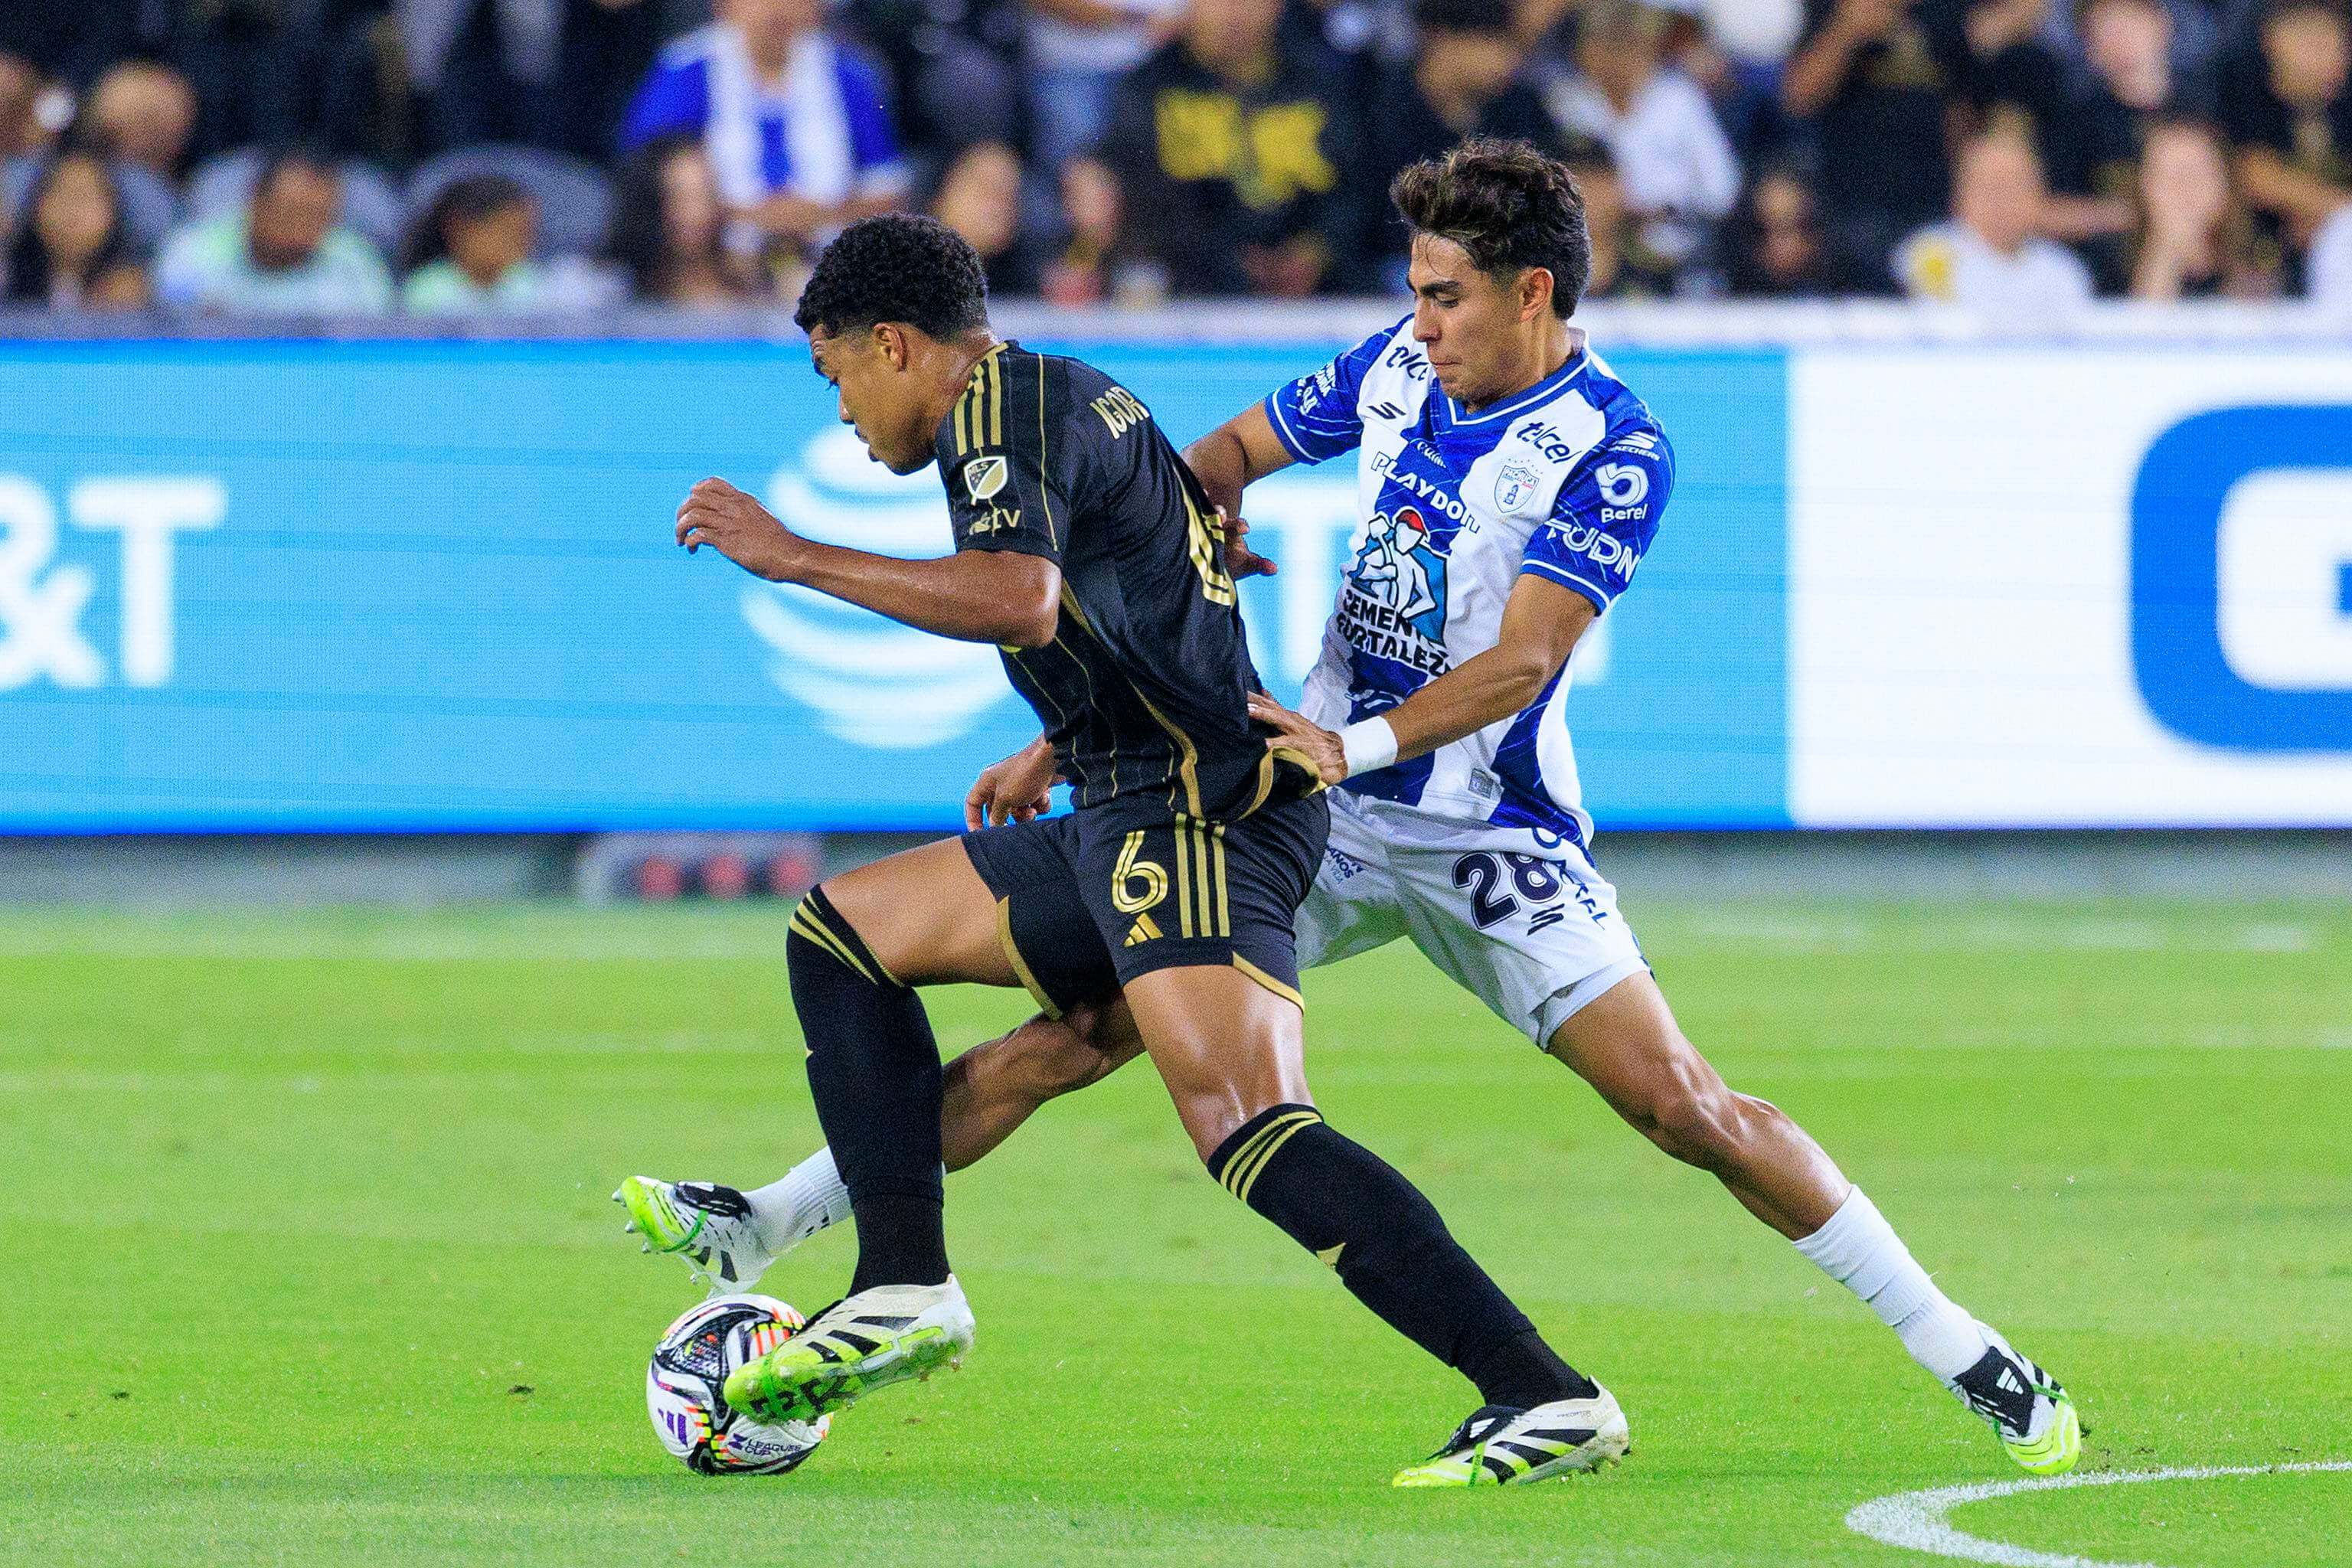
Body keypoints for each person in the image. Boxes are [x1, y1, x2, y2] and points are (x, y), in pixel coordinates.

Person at [627, 139, 2086, 1482]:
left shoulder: (1611, 449)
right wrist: (1161, 606)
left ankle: (1968, 1350)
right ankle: (784, 1218)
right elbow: (1211, 460)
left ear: (1531, 294)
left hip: (1476, 828)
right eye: (1413, 294)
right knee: (1086, 1028)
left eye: (1447, 297)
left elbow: (1521, 658)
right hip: (1296, 799)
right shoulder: (1395, 366)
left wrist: (1353, 735)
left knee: (1681, 1106)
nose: (1422, 322)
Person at [637, 209, 1626, 1488]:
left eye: (835, 376)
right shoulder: (1061, 398)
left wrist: (792, 553)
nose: (839, 412)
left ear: (893, 344)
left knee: (1248, 1126)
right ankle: (901, 1281)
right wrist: (1064, 738)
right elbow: (1153, 600)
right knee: (845, 931)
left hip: (1198, 814)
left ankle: (1544, 1392)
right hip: (1129, 792)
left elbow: (1018, 595)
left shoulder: (998, 407)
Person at [1097, 0, 1366, 296]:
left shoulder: (1320, 86)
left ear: (1276, 7)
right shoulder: (1148, 88)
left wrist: (1315, 252)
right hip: (1190, 290)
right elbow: (1143, 197)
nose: (1234, 13)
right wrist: (1229, 261)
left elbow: (1354, 186)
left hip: (1318, 291)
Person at [618, 0, 909, 262]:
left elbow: (886, 192)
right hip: (716, 265)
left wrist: (815, 217)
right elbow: (646, 188)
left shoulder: (851, 76)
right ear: (722, 5)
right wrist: (751, 218)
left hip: (831, 264)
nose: (776, 8)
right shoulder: (683, 72)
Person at [1779, 0, 1962, 288]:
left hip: (1930, 206)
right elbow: (1798, 98)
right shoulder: (1831, 8)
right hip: (1849, 209)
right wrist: (1846, 31)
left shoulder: (1943, 11)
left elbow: (1960, 110)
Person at [1547, 0, 1740, 270]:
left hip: (1681, 254)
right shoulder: (1567, 103)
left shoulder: (1679, 98)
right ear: (1585, 51)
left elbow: (1722, 190)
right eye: (1608, 46)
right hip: (1594, 253)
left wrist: (1665, 208)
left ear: (1649, 47)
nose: (1618, 59)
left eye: (1629, 45)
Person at [153, 145, 393, 314]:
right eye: (290, 211)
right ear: (255, 200)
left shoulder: (358, 263)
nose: (300, 227)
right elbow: (170, 329)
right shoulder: (192, 250)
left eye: (317, 216)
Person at [1895, 128, 2096, 315]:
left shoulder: (2061, 270)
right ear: (1960, 195)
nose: (2001, 202)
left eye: (2014, 189)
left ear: (2039, 196)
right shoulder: (1931, 254)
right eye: (1991, 188)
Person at [2220, 0, 2352, 278]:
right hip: (2255, 268)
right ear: (2273, 40)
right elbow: (2255, 176)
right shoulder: (2242, 89)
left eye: (2339, 36)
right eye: (2313, 37)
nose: (2332, 50)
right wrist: (2341, 213)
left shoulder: (2344, 99)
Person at [605, 133, 767, 304]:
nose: (697, 214)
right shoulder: (613, 291)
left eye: (706, 196)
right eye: (678, 197)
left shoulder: (755, 289)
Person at [2125, 116, 2276, 296]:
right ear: (2144, 186)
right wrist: (2165, 253)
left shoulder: (2263, 252)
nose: (2183, 189)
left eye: (2197, 174)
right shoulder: (2111, 261)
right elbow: (2143, 322)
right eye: (2168, 176)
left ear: (2225, 185)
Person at [3, 148, 149, 309]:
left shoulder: (133, 291)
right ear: (36, 206)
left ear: (113, 212)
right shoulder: (7, 277)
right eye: (61, 192)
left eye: (86, 196)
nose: (72, 208)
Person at [398, 173, 552, 314]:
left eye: (526, 234)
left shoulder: (532, 285)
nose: (522, 244)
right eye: (508, 232)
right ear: (460, 227)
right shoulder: (428, 290)